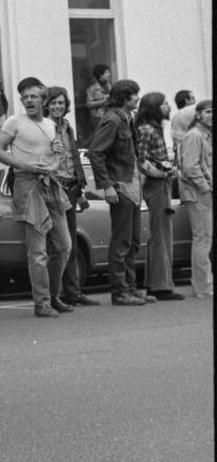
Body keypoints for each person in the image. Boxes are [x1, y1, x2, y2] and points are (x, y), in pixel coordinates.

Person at [0, 77, 72, 318]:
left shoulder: (49, 125)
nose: (28, 100)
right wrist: (25, 165)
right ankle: (42, 302)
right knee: (37, 251)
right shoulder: (14, 122)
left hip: (51, 184)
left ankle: (54, 295)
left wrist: (56, 156)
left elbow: (56, 156)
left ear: (43, 99)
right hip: (27, 185)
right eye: (25, 97)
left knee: (64, 246)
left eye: (33, 96)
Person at [87, 79, 153, 307]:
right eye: (134, 94)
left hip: (132, 186)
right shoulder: (113, 120)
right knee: (122, 242)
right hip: (121, 186)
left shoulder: (127, 118)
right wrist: (106, 185)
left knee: (133, 241)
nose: (137, 98)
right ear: (125, 97)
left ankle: (131, 288)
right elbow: (95, 152)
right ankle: (120, 291)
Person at [42, 87, 98, 308]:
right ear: (47, 105)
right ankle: (53, 294)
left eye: (61, 103)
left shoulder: (67, 127)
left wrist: (81, 188)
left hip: (71, 188)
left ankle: (72, 292)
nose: (57, 107)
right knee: (57, 245)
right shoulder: (44, 128)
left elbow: (74, 157)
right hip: (54, 188)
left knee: (71, 243)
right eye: (53, 103)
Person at [134, 92, 183, 301]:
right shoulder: (146, 130)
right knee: (161, 236)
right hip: (155, 186)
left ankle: (157, 282)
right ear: (154, 107)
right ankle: (161, 286)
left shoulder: (154, 129)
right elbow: (142, 161)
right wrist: (164, 173)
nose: (168, 107)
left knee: (160, 235)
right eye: (164, 104)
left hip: (160, 184)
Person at [179, 100, 213, 298]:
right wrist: (205, 188)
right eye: (208, 112)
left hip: (202, 192)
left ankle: (205, 283)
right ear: (198, 114)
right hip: (198, 194)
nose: (211, 115)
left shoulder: (204, 135)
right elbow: (190, 167)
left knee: (205, 239)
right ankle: (202, 286)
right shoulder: (194, 135)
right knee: (202, 239)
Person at [170, 90, 197, 162]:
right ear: (186, 100)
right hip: (194, 151)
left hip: (182, 154)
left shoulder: (175, 117)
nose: (195, 100)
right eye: (193, 98)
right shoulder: (193, 110)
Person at [85, 64, 112, 135]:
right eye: (106, 72)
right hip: (98, 117)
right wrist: (104, 101)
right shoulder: (92, 88)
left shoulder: (110, 87)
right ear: (100, 74)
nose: (109, 74)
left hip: (110, 115)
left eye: (109, 72)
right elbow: (88, 104)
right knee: (101, 135)